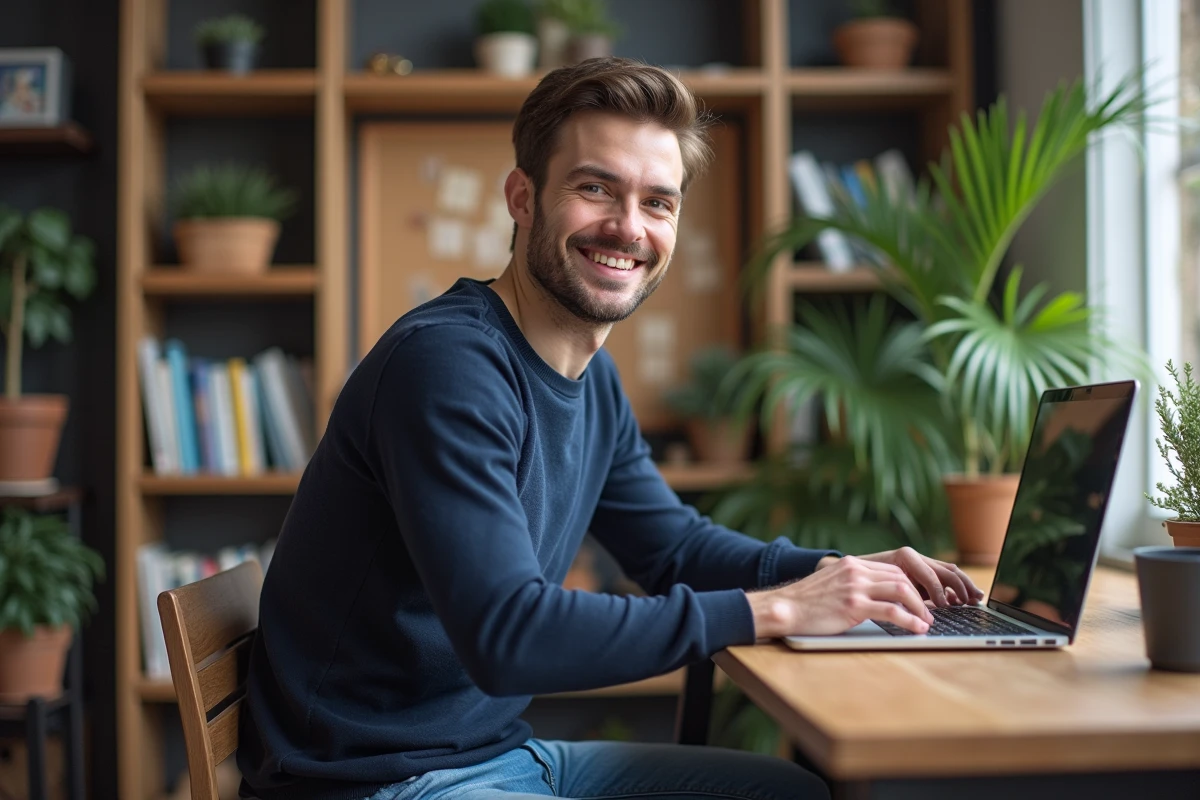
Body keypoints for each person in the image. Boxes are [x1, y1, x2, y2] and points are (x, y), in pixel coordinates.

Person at [238, 57, 984, 800]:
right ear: (522, 197)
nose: (629, 228)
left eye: (658, 202)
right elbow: (509, 635)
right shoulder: (446, 365)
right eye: (595, 188)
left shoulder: (591, 379)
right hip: (373, 780)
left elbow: (673, 550)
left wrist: (838, 575)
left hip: (494, 755)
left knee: (793, 795)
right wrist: (779, 609)